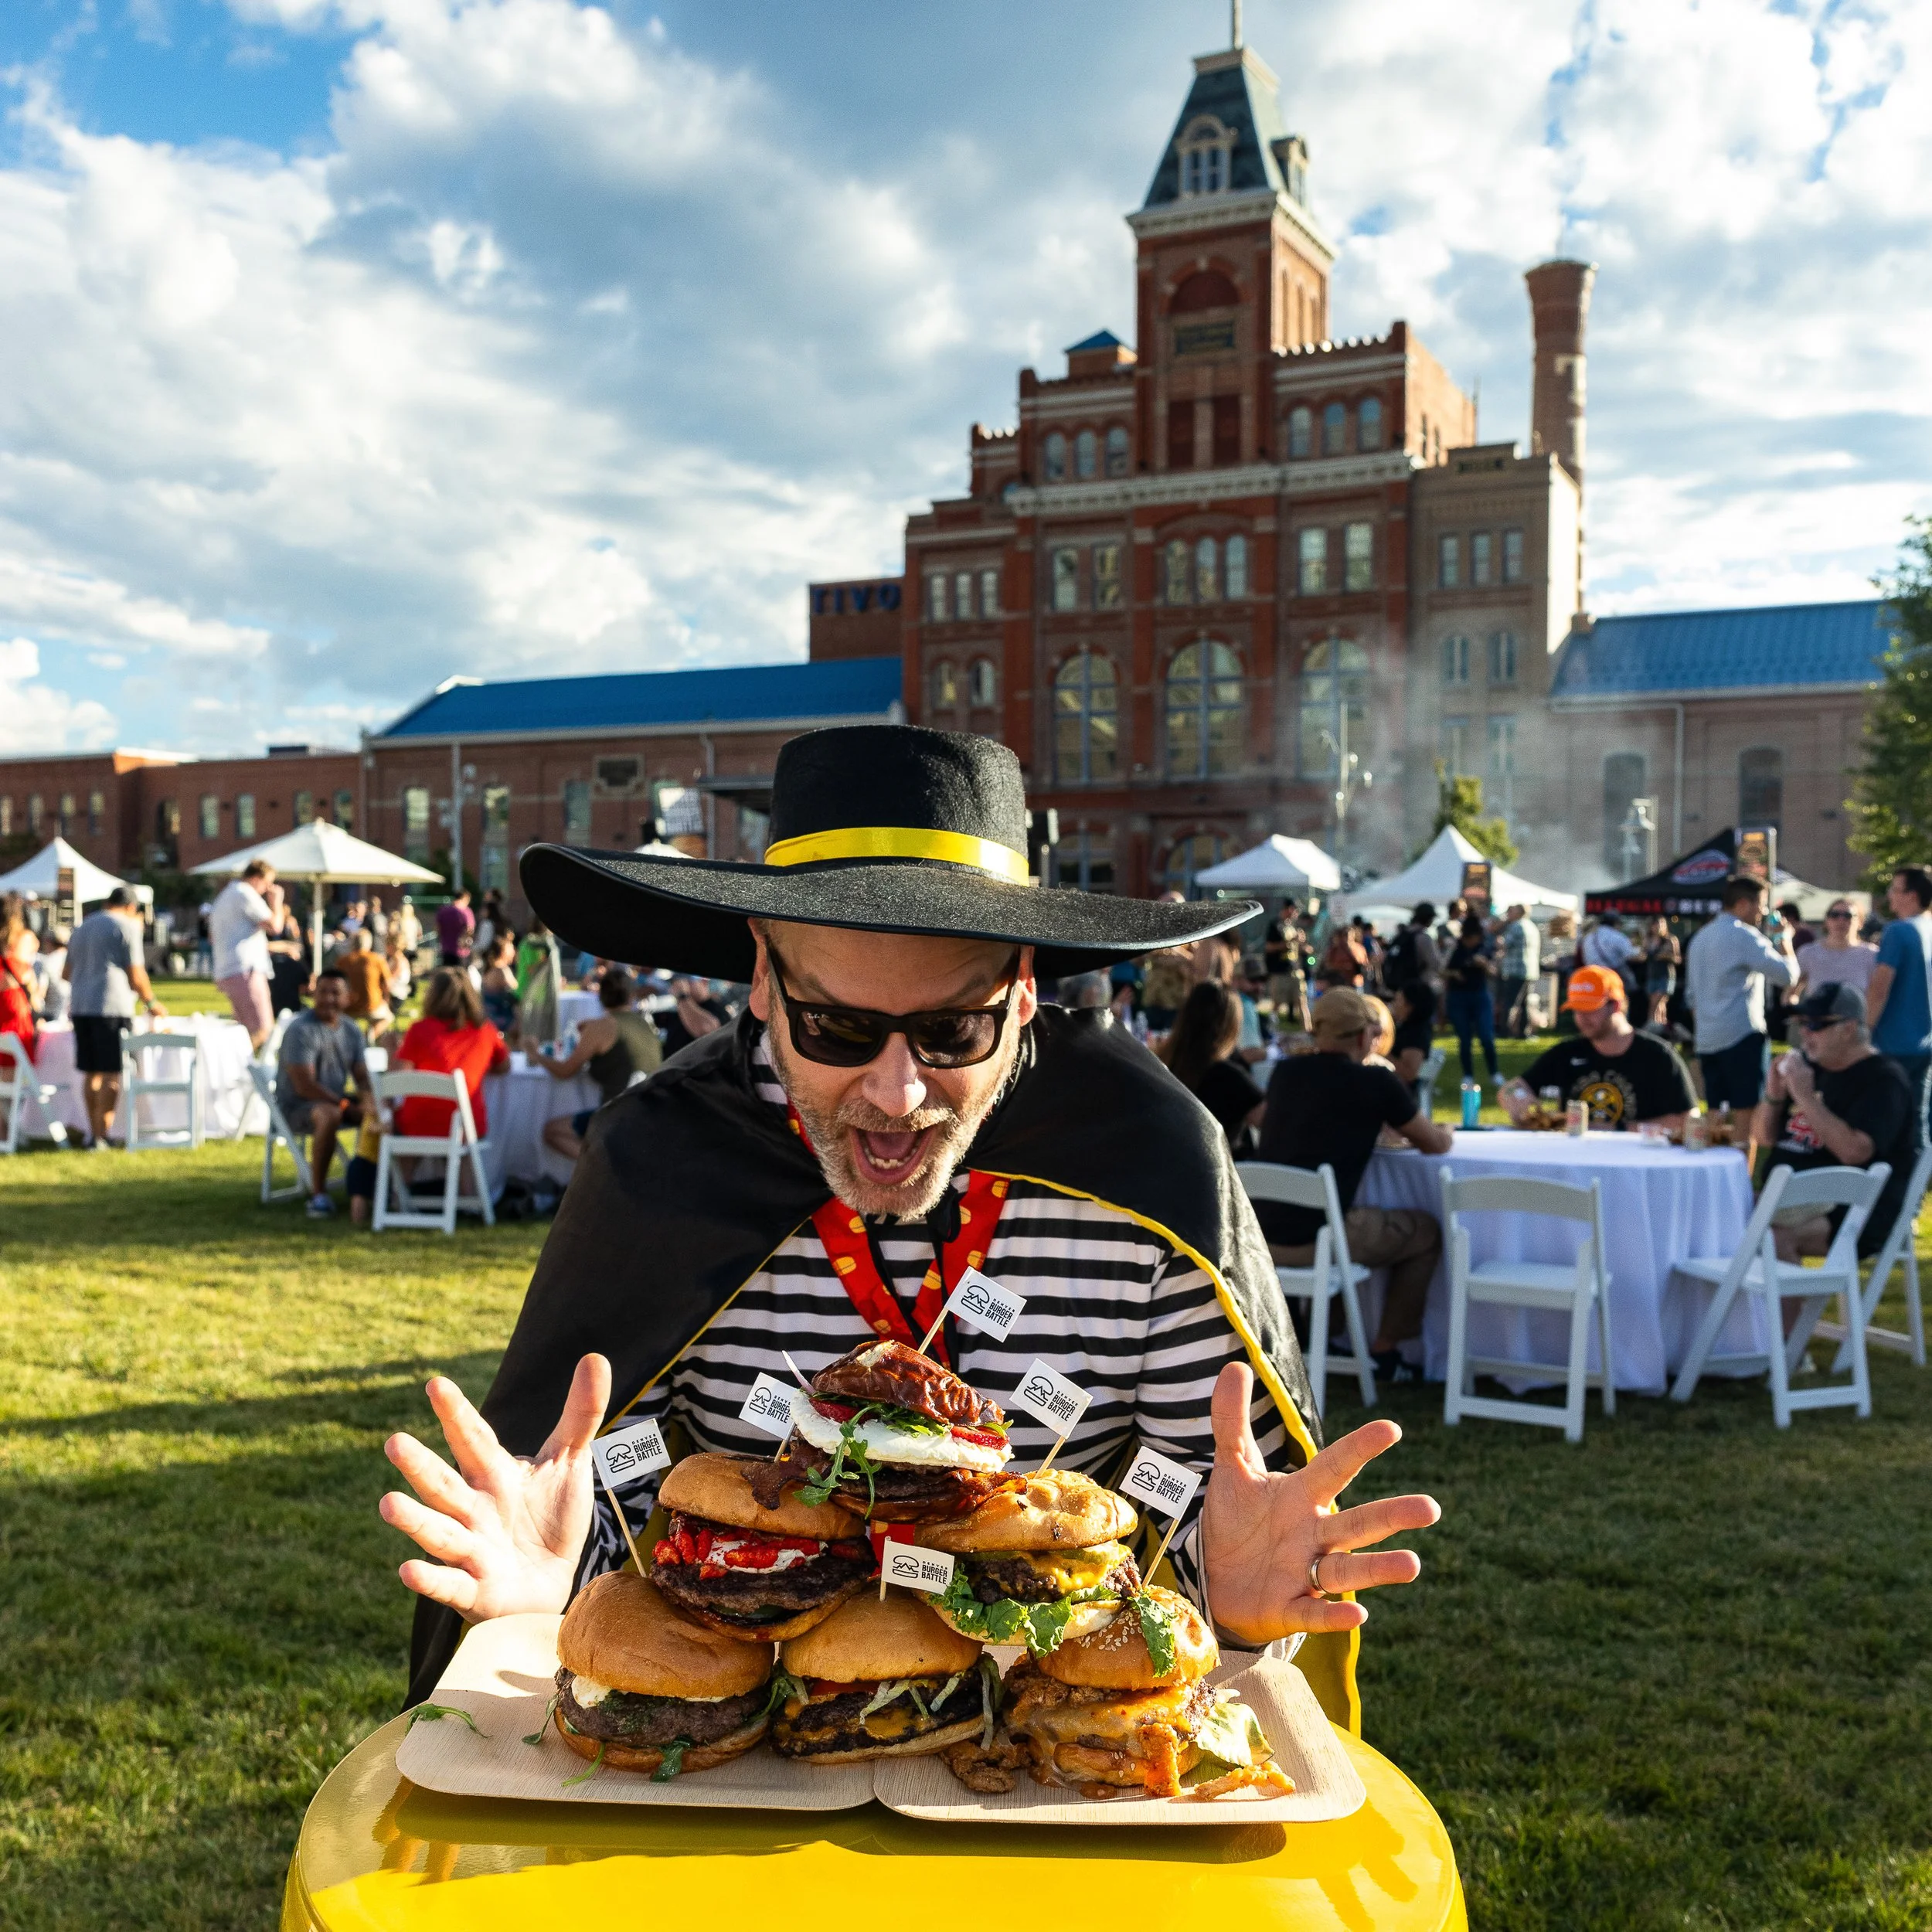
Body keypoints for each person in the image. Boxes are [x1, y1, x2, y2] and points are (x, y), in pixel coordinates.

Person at [382, 725, 1439, 1719]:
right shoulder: (663, 1162)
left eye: (950, 1029)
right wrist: (546, 1586)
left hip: (1060, 1762)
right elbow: (616, 1505)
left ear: (1025, 992)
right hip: (745, 1765)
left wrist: (1233, 1596)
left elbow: (1198, 1523)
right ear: (762, 976)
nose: (895, 1095)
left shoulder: (1151, 1167)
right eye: (837, 1026)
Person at [1255, 987, 1454, 1381]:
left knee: (1353, 1219)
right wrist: (1445, 1129)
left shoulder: (1285, 1073)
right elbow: (1434, 1144)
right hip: (1318, 1240)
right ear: (1365, 1037)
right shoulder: (1376, 1083)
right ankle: (1385, 1351)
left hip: (1263, 1236)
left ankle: (1331, 1337)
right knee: (1425, 1232)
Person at [1755, 982, 1916, 1267]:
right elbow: (1764, 1138)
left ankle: (1781, 1313)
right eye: (1802, 1023)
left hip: (1856, 1207)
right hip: (1789, 1198)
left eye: (1816, 1024)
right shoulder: (1808, 1068)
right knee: (1720, 1218)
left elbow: (1855, 1152)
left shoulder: (1883, 1080)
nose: (1805, 1033)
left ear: (1849, 1028)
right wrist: (1774, 1095)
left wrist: (1805, 1096)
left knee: (1773, 1237)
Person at [1501, 965, 1694, 1131]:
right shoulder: (1567, 1053)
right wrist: (1518, 1099)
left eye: (1590, 1008)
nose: (1581, 1017)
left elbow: (1688, 1120)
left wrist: (1614, 1130)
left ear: (1615, 1006)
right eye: (1576, 1009)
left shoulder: (1657, 1056)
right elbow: (1512, 1088)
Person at [1684, 874, 1797, 1112]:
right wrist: (1784, 940)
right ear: (1743, 904)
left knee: (1716, 1113)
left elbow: (1691, 996)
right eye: (1762, 904)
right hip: (1741, 1037)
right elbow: (1788, 976)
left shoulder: (1700, 937)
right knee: (1747, 1116)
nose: (1764, 912)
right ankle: (1743, 1152)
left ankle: (1718, 1150)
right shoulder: (1744, 936)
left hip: (1707, 1038)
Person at [64, 888, 164, 1150]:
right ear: (132, 907)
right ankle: (102, 1136)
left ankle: (93, 1133)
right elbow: (137, 974)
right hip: (112, 1007)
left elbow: (66, 972)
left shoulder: (82, 927)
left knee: (91, 1071)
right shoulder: (127, 926)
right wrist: (152, 1003)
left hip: (81, 1006)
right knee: (112, 1071)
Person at [538, 966, 666, 1164]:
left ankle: (605, 1167)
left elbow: (565, 1071)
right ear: (630, 996)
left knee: (551, 1132)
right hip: (651, 1113)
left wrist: (534, 1053)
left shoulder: (603, 1027)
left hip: (619, 1118)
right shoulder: (644, 1024)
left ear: (601, 996)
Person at [275, 968, 369, 1216]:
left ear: (349, 997)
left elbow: (362, 1077)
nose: (328, 999)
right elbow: (304, 1086)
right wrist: (346, 1105)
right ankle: (318, 1195)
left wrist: (371, 1103)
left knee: (384, 1114)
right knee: (330, 1115)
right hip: (297, 1106)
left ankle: (377, 1189)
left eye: (335, 993)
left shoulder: (351, 1030)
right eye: (322, 992)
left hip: (333, 1099)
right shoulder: (301, 1031)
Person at [1865, 866, 1932, 1146]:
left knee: (1891, 1119)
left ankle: (1901, 1182)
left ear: (1911, 895)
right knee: (1918, 1115)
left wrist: (1863, 1032)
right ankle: (1918, 1180)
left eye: (1894, 889)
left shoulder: (1898, 931)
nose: (1889, 896)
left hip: (1894, 1042)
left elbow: (1880, 989)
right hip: (1925, 1040)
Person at [1165, 980, 1265, 1155]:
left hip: (1169, 1166)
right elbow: (1269, 1122)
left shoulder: (1162, 1066)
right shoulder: (1230, 1077)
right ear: (1231, 1025)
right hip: (1222, 1173)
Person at [209, 860, 281, 1050]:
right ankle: (245, 1070)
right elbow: (275, 925)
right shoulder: (245, 893)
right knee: (263, 1029)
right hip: (246, 969)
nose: (267, 889)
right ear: (257, 878)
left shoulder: (226, 895)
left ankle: (239, 1068)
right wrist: (277, 903)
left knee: (243, 1030)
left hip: (229, 969)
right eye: (267, 883)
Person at [1444, 914, 1500, 1085]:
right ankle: (1468, 1074)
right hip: (1458, 996)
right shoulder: (1455, 948)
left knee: (1486, 1036)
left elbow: (1494, 972)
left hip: (1479, 995)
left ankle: (1494, 1073)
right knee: (1465, 1037)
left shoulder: (1484, 948)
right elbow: (1442, 970)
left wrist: (1484, 965)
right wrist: (1455, 974)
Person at [1794, 900, 1877, 1000]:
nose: (1840, 920)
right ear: (1826, 921)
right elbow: (1791, 992)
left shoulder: (1872, 955)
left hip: (1856, 1015)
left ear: (1860, 922)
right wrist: (1796, 1013)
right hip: (1817, 1015)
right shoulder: (1808, 953)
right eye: (1834, 915)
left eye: (1848, 916)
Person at [1, 893, 40, 1066]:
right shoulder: (22, 939)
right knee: (12, 1071)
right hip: (12, 1001)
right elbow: (26, 975)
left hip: (7, 999)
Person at [1263, 896, 1310, 1034]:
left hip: (1295, 969)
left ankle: (1308, 1031)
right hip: (1280, 971)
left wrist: (1303, 945)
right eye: (1295, 910)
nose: (1296, 913)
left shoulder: (1292, 926)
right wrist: (1289, 942)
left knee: (1301, 1001)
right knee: (1277, 1003)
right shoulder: (1276, 925)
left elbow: (1297, 948)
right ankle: (1270, 1030)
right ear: (1289, 909)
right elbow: (1269, 947)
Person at [338, 927, 395, 1040]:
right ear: (369, 943)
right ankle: (369, 1038)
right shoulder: (377, 960)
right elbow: (388, 984)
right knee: (388, 1017)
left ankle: (352, 1039)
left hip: (348, 1005)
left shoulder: (343, 961)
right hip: (372, 1005)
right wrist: (386, 1000)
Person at [1384, 901, 1444, 1009]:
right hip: (1416, 988)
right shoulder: (1423, 938)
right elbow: (1436, 964)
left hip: (1395, 986)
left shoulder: (1402, 935)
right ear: (1429, 918)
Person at [1495, 904, 1540, 1039]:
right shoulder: (1532, 926)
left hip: (1516, 970)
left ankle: (1504, 1031)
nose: (1509, 913)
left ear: (1519, 912)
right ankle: (1523, 1033)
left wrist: (1499, 938)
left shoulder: (1516, 926)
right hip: (1530, 970)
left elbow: (1504, 944)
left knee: (1510, 1002)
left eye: (1512, 911)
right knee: (1524, 1003)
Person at [1389, 981, 1436, 1094]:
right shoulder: (1405, 1026)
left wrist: (1380, 1051)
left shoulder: (1416, 1034)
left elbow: (1409, 1073)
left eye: (1398, 1000)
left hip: (1398, 1092)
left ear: (1410, 1006)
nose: (1393, 1004)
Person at [1640, 916, 1681, 1031]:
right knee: (1661, 1005)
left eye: (1660, 924)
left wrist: (1666, 956)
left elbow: (1678, 959)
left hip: (1666, 975)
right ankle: (1663, 1028)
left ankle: (1650, 1026)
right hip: (1652, 974)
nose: (1658, 927)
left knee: (1655, 1001)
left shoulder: (1670, 940)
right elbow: (1643, 955)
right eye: (1655, 925)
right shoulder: (1648, 940)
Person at [479, 931, 520, 1035]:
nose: (515, 952)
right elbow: (517, 993)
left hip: (488, 1016)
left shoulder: (489, 969)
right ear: (503, 952)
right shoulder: (501, 970)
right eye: (512, 949)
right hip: (500, 1018)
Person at [435, 889, 475, 968]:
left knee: (448, 974)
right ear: (465, 898)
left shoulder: (443, 910)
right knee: (460, 976)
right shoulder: (466, 911)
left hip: (446, 949)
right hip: (461, 951)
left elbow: (437, 929)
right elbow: (469, 929)